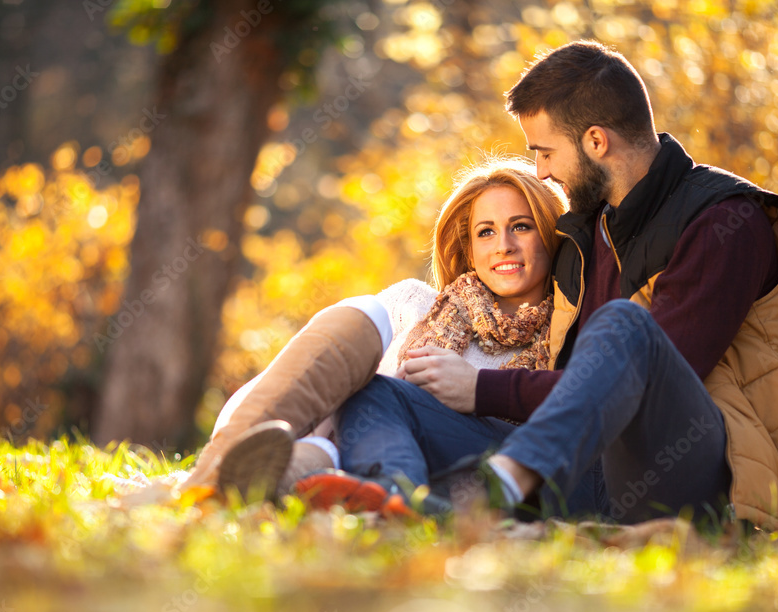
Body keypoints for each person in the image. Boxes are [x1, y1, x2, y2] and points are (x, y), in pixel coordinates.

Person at [330, 40, 778, 534]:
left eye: (546, 152)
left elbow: (649, 379)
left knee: (626, 325)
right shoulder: (585, 232)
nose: (541, 170)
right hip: (580, 466)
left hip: (691, 473)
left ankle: (511, 480)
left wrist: (480, 389)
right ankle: (398, 505)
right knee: (373, 392)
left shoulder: (725, 222)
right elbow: (514, 278)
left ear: (596, 141)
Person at [180, 158, 578, 513]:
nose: (503, 247)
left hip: (408, 468)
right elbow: (280, 380)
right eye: (486, 233)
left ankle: (223, 485)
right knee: (361, 319)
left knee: (336, 440)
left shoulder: (556, 348)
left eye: (521, 227)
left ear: (549, 235)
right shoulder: (415, 303)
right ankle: (215, 472)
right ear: (469, 249)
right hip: (310, 438)